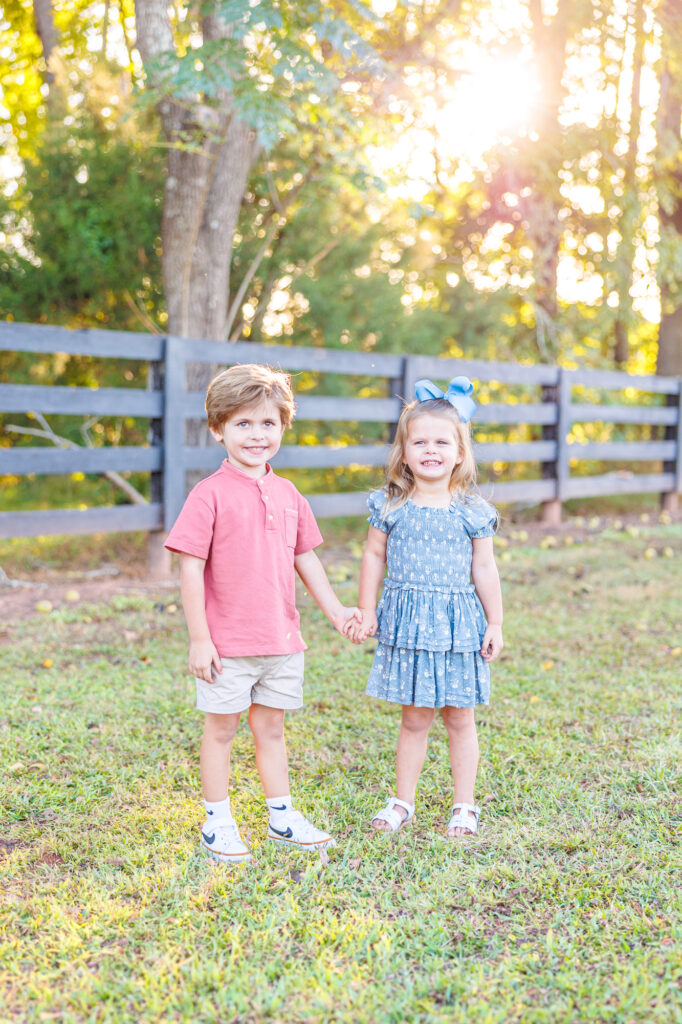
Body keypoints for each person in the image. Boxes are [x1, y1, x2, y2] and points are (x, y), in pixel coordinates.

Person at [165, 364, 360, 864]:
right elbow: (190, 571)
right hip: (227, 645)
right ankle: (218, 822)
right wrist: (199, 639)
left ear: (283, 427)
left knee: (271, 729)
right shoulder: (207, 495)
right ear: (218, 429)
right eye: (243, 424)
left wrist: (337, 611)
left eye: (268, 423)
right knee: (222, 730)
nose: (257, 435)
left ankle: (282, 817)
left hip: (281, 640)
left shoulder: (289, 493)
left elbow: (306, 558)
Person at [346, 377, 503, 838]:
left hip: (457, 625)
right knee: (414, 717)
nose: (430, 449)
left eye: (442, 441)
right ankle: (403, 801)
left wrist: (495, 621)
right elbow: (373, 556)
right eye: (420, 441)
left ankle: (464, 805)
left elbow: (485, 568)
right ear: (404, 451)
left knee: (459, 715)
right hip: (409, 623)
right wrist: (366, 608)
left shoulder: (472, 510)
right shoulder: (390, 505)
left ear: (459, 452)